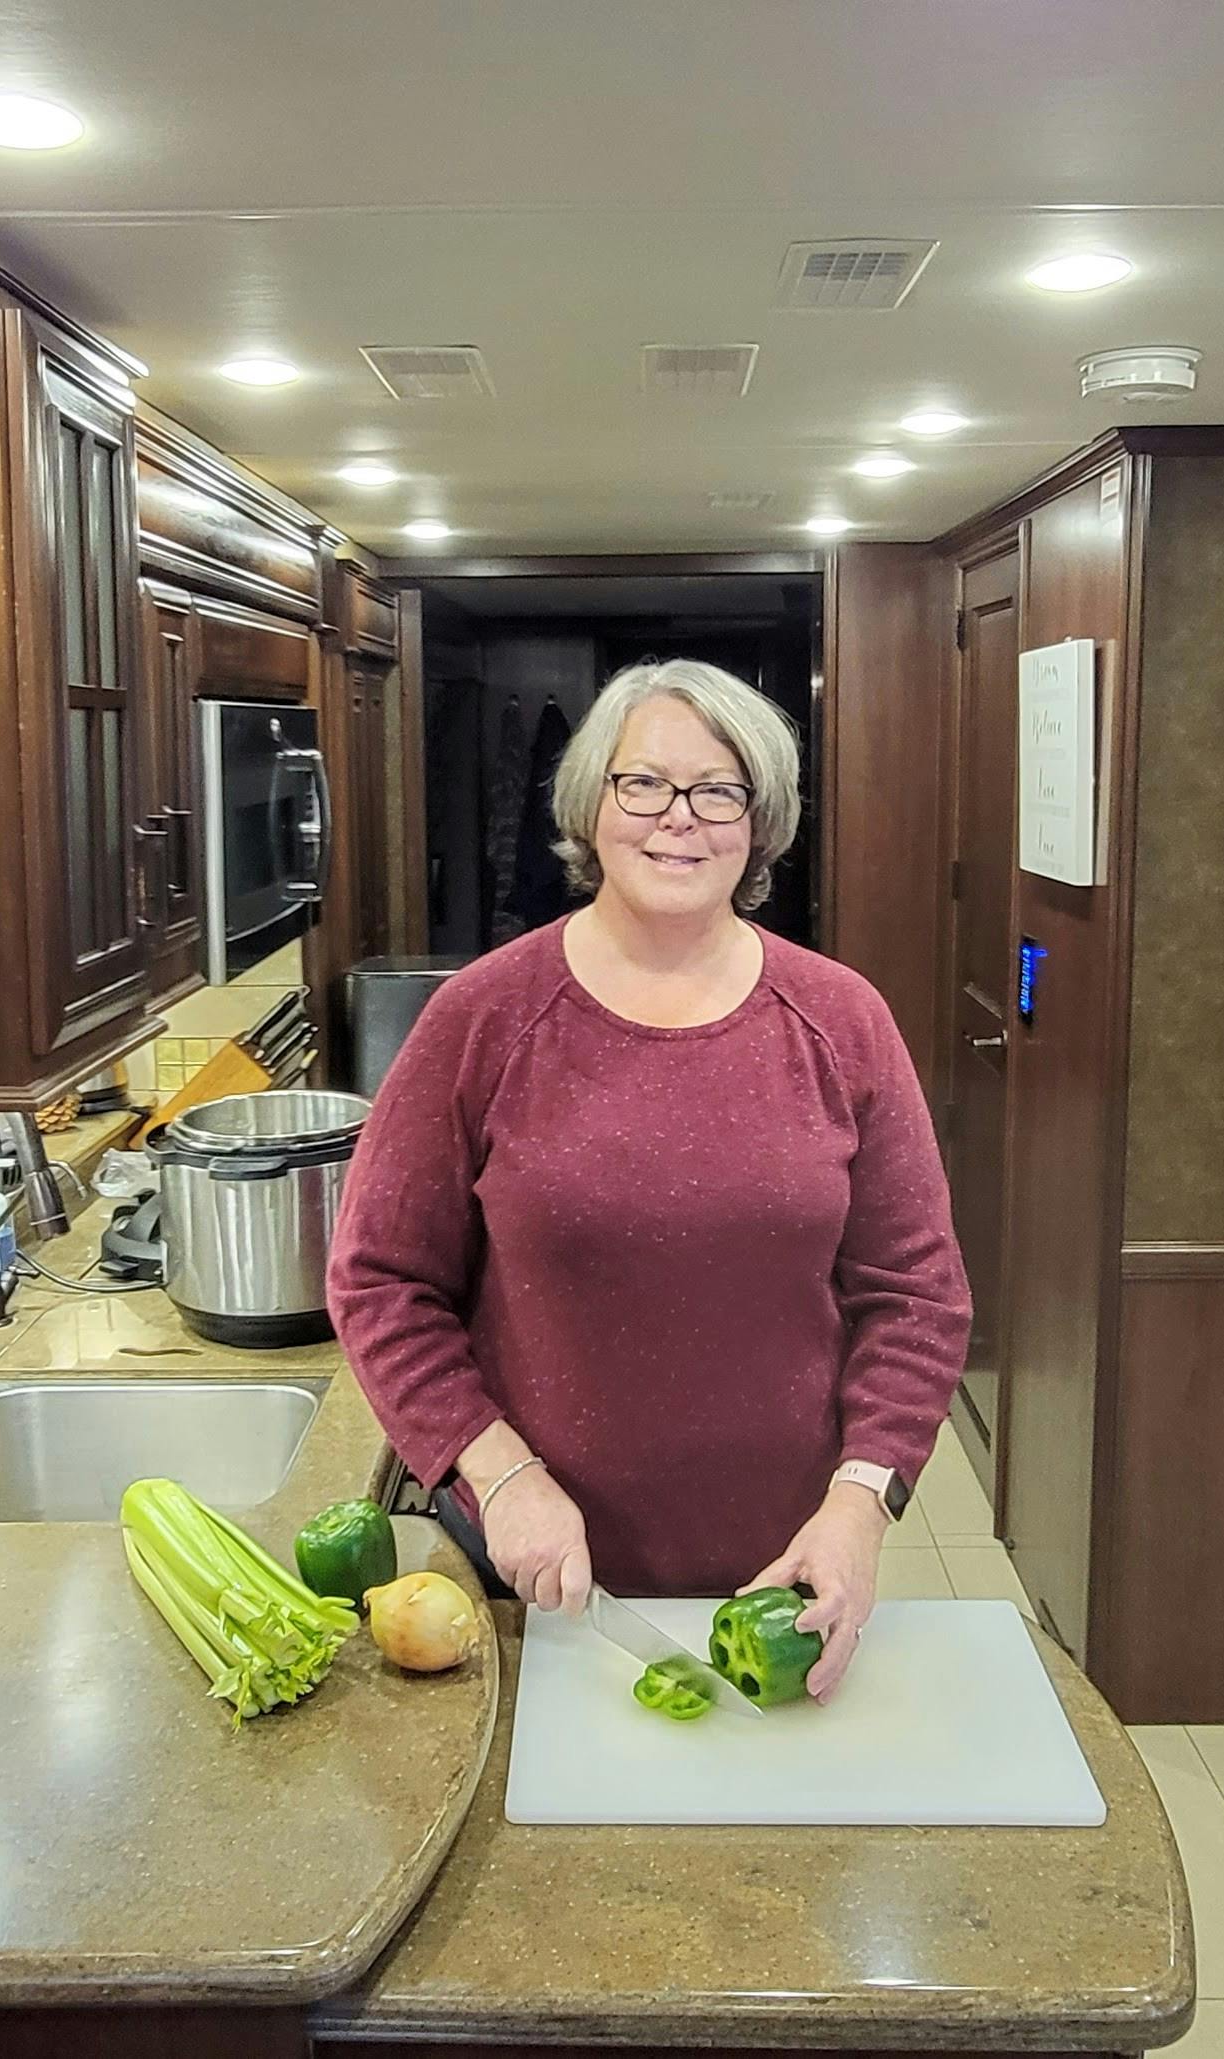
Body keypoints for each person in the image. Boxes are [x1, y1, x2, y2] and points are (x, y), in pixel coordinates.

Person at [327, 659, 970, 1700]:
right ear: (592, 802)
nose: (682, 817)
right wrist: (503, 1474)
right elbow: (380, 1279)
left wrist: (860, 1507)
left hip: (784, 1569)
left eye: (722, 789)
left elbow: (916, 1295)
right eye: (644, 784)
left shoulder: (842, 1019)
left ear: (760, 822)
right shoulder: (482, 1019)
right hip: (529, 1565)